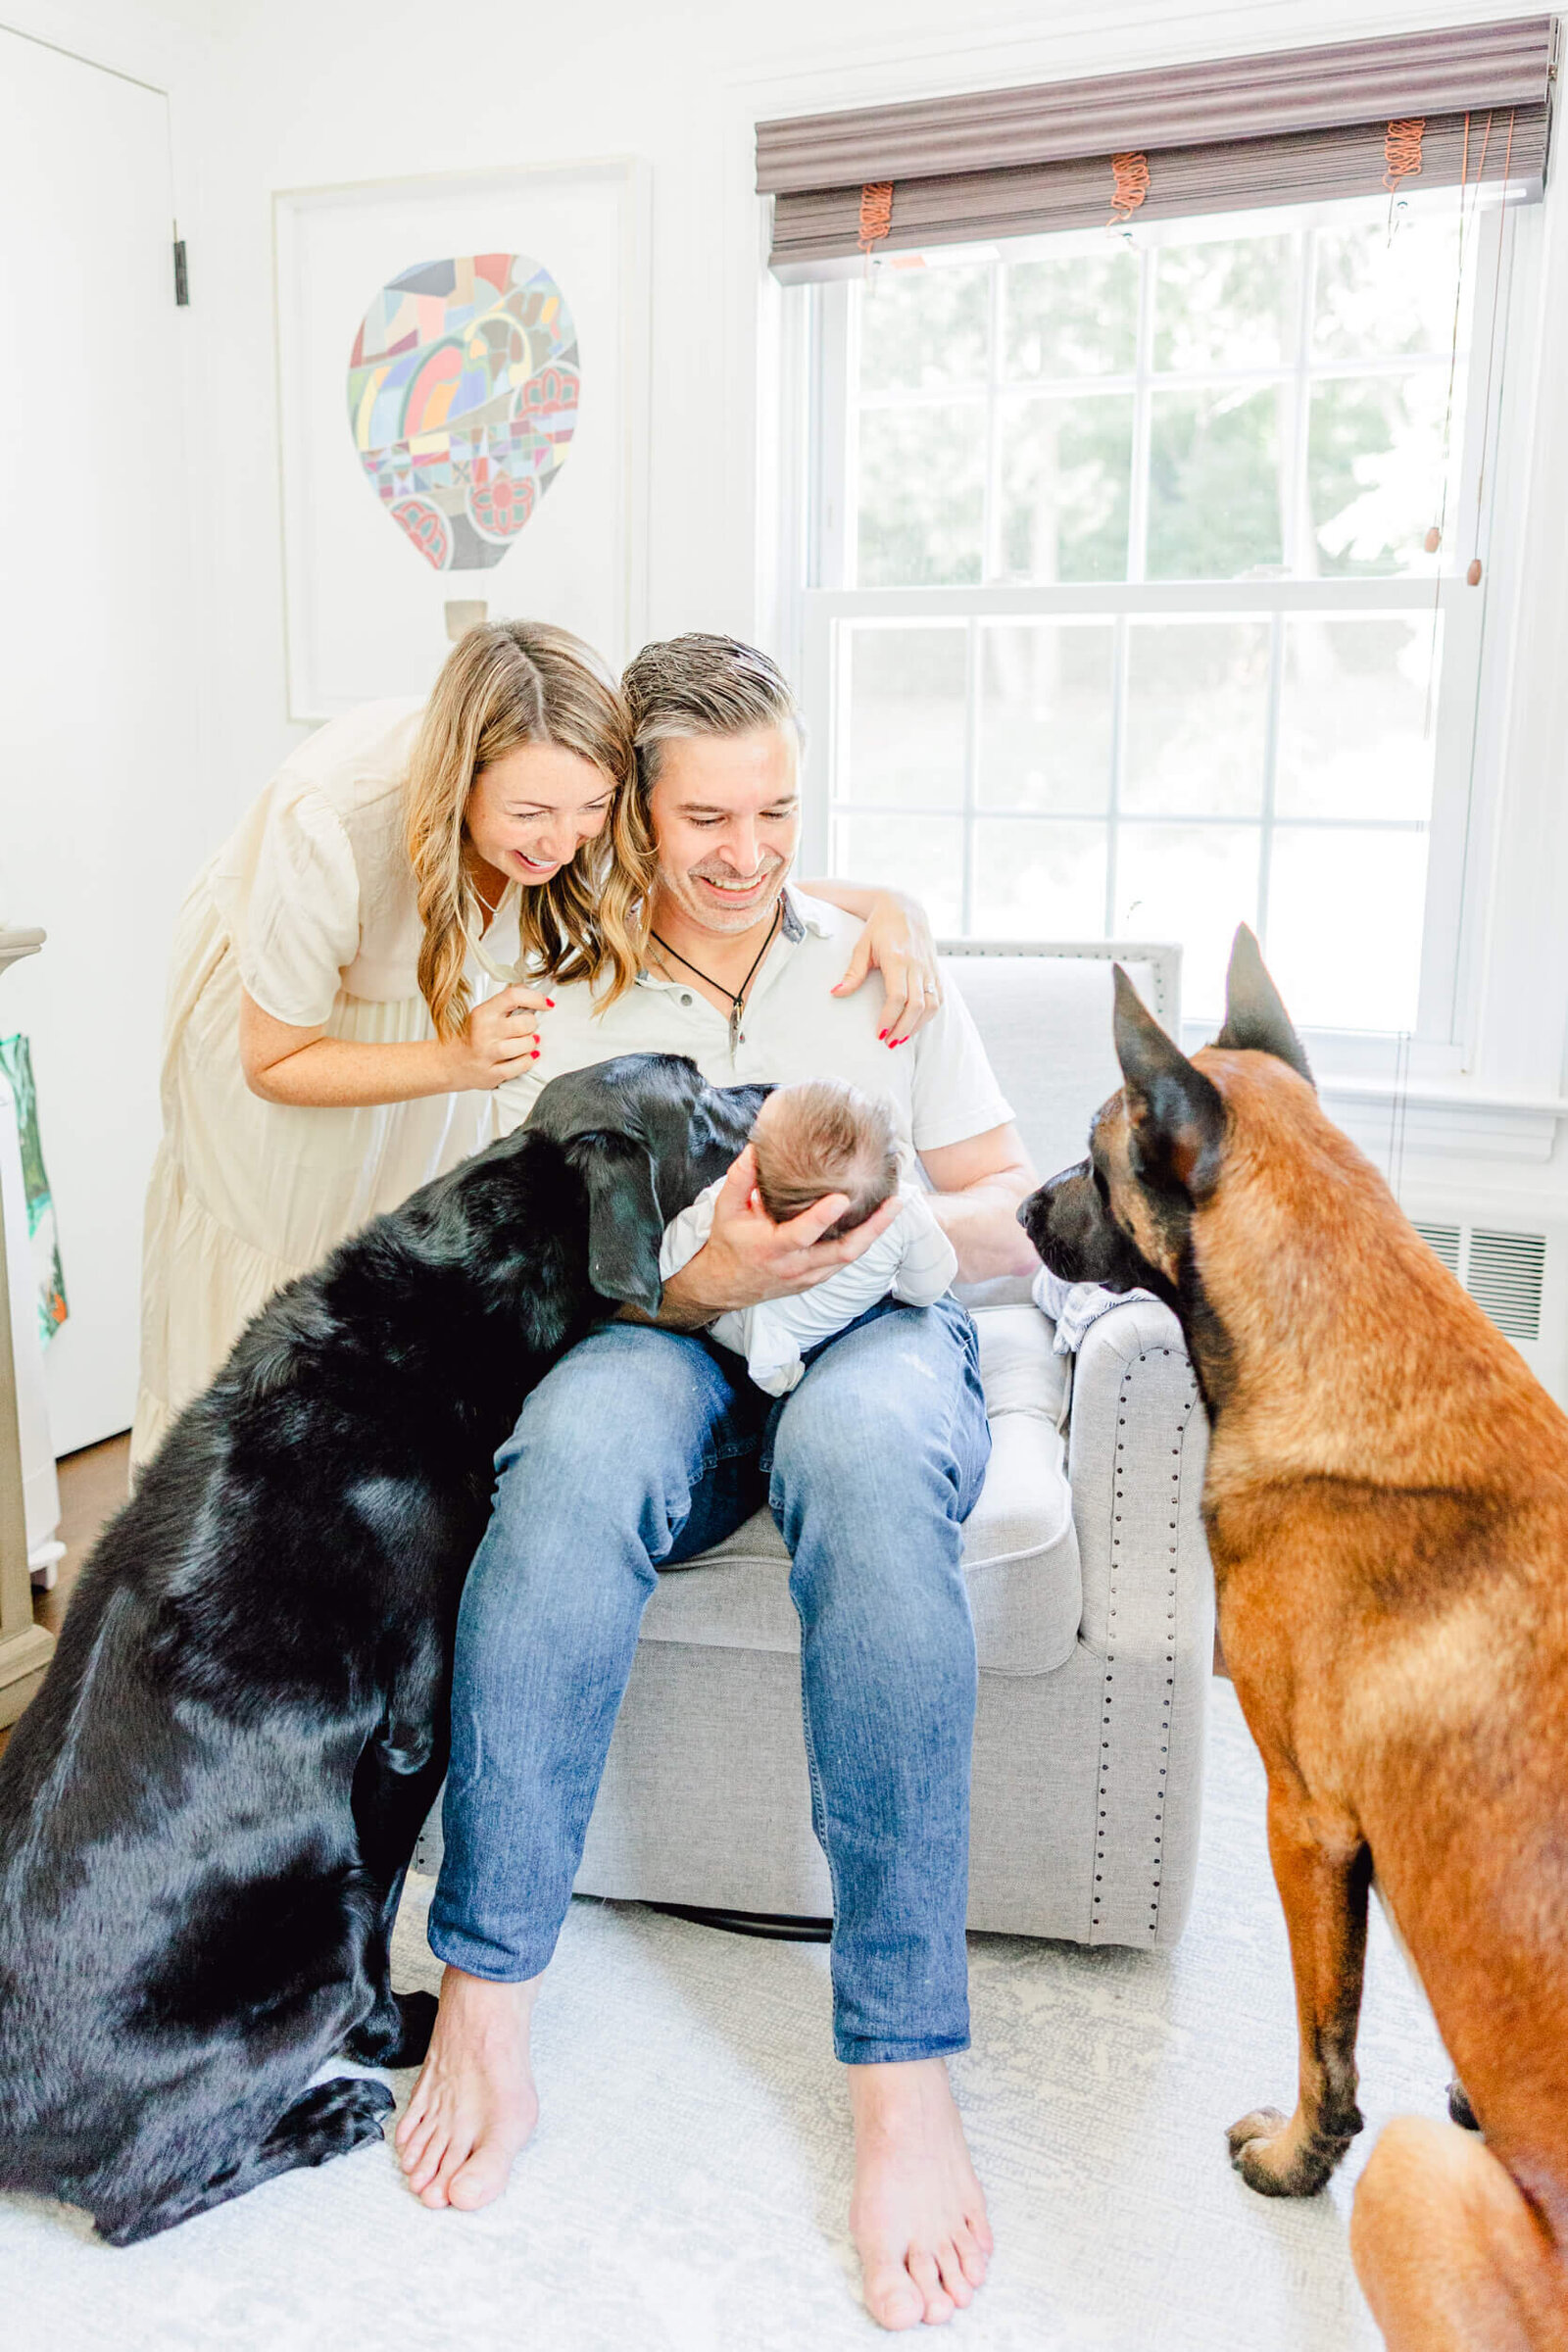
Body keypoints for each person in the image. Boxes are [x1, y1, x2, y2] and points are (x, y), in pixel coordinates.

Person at [395, 633, 1042, 2332]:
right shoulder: (570, 993)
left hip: (879, 1337)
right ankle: (486, 1992)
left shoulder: (882, 968)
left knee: (861, 1459)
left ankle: (901, 2072)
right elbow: (553, 1269)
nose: (746, 854)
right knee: (575, 1451)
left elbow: (1017, 1212)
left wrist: (883, 1235)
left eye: (778, 812)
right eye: (706, 818)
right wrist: (705, 1289)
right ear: (636, 817)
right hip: (671, 1335)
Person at [130, 620, 942, 1466]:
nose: (563, 846)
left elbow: (718, 866)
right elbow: (273, 1060)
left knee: (383, 1296)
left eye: (591, 814)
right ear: (459, 783)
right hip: (293, 1042)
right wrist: (452, 1062)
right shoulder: (327, 823)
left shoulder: (566, 802)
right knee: (271, 1287)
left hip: (440, 1030)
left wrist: (887, 902)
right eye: (531, 816)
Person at [660, 1077, 957, 1395]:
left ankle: (773, 1368)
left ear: (754, 1172)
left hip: (740, 1339)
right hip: (835, 1327)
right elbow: (930, 1286)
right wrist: (902, 1292)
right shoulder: (904, 1209)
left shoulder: (729, 1206)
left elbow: (668, 1258)